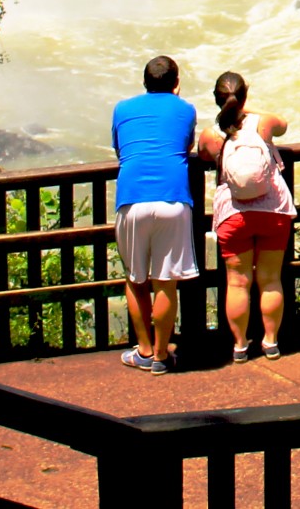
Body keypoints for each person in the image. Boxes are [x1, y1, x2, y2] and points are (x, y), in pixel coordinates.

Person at [110, 55, 199, 375]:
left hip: (132, 198)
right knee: (165, 282)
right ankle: (162, 355)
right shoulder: (186, 109)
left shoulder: (122, 108)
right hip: (173, 198)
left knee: (136, 280)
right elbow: (186, 146)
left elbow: (120, 150)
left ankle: (144, 350)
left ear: (144, 82)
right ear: (176, 84)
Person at [199, 71, 296, 361]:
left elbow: (203, 155)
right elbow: (283, 124)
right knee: (269, 280)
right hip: (272, 210)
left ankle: (240, 346)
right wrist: (247, 107)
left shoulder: (212, 133)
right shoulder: (262, 123)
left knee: (238, 282)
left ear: (217, 99)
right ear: (244, 95)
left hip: (233, 213)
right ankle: (270, 342)